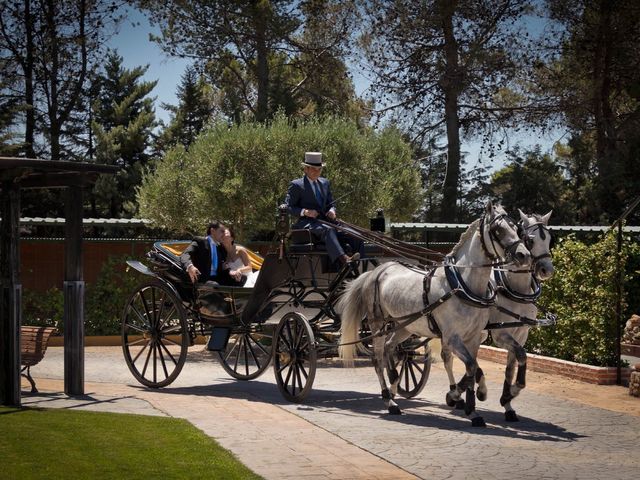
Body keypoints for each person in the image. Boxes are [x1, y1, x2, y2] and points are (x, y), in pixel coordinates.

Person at [284, 151, 362, 265]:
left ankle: (362, 265)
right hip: (307, 224)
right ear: (306, 169)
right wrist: (305, 212)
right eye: (313, 169)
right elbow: (288, 207)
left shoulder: (325, 183)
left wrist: (332, 210)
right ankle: (344, 259)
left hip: (326, 221)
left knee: (354, 234)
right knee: (328, 229)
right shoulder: (296, 185)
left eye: (319, 169)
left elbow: (331, 203)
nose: (317, 172)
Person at [180, 220, 236, 286]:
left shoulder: (220, 247)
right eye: (222, 231)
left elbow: (223, 264)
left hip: (218, 279)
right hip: (203, 280)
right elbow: (185, 254)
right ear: (212, 231)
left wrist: (231, 272)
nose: (224, 234)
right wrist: (190, 267)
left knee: (240, 279)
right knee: (215, 285)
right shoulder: (200, 242)